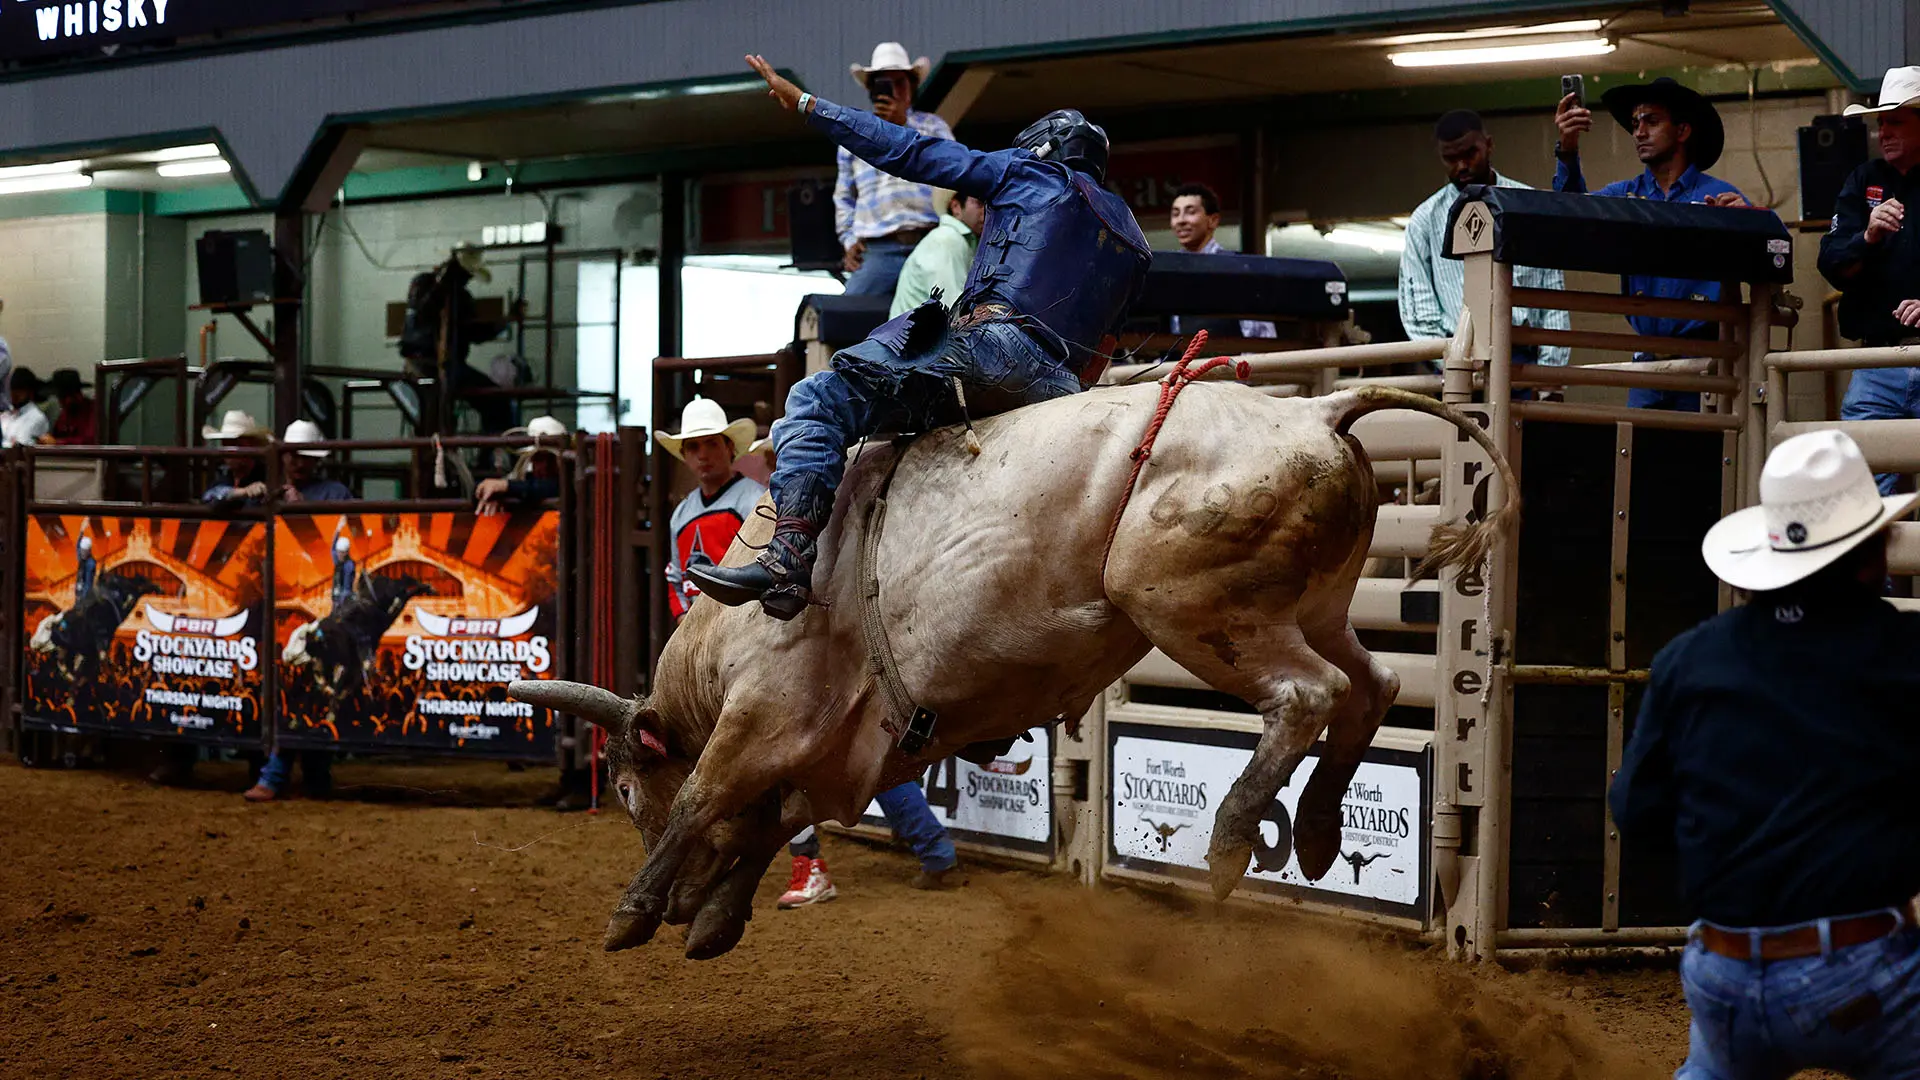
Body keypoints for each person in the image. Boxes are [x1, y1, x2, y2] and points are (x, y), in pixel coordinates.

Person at [695, 55, 1152, 619]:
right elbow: (1105, 349)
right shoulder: (1131, 238)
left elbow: (910, 152)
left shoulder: (1027, 173)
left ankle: (788, 558)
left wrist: (810, 105)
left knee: (816, 399)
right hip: (1062, 389)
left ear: (1039, 151)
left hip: (991, 346)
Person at [1611, 428, 1920, 1079]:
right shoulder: (1901, 654)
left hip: (1723, 965)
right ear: (1874, 553)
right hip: (1866, 965)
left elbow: (1636, 809)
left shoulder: (1689, 659)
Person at [658, 397, 958, 899]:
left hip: (773, 642)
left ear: (728, 449)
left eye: (711, 444)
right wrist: (691, 632)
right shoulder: (685, 515)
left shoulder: (757, 501)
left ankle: (821, 865)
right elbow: (676, 577)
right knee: (834, 751)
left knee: (806, 754)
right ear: (686, 455)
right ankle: (928, 849)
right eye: (694, 447)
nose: (703, 455)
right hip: (723, 653)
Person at [1554, 77, 1758, 411]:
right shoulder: (1624, 196)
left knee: (1706, 458)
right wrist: (1568, 148)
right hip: (1647, 365)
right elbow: (1569, 219)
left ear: (1682, 131)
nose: (1638, 132)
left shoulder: (1720, 196)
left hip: (1707, 364)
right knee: (1642, 455)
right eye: (1635, 123)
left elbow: (1774, 250)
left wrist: (1747, 222)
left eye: (1652, 121)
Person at [1400, 111, 1570, 370]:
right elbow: (1417, 311)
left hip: (1523, 356)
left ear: (1489, 145)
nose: (1461, 166)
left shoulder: (1530, 206)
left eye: (1470, 154)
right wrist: (1454, 362)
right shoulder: (1425, 220)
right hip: (1455, 355)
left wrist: (1550, 378)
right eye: (1450, 158)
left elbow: (1553, 297)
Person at [1819, 66, 1920, 494]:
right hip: (1877, 358)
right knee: (1862, 495)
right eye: (1881, 123)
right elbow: (1831, 261)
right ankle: (1876, 564)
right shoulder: (1863, 180)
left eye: (1895, 121)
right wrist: (1869, 235)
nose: (1884, 132)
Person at [245, 419, 355, 803]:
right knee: (295, 682)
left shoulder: (335, 494)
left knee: (304, 682)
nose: (298, 463)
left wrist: (300, 510)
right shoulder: (278, 493)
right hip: (290, 602)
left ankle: (292, 770)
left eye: (305, 456)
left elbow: (347, 535)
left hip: (319, 603)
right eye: (294, 455)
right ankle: (297, 770)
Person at [834, 42, 956, 297]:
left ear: (911, 88)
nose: (894, 90)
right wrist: (848, 240)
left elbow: (955, 176)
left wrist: (901, 123)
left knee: (953, 311)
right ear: (872, 90)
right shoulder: (853, 136)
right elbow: (843, 196)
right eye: (883, 84)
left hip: (931, 241)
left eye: (900, 82)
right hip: (879, 249)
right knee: (847, 316)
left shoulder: (933, 128)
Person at [400, 245, 520, 433]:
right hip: (427, 364)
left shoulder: (458, 296)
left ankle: (485, 455)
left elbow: (476, 332)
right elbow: (424, 313)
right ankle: (478, 454)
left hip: (445, 366)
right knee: (434, 419)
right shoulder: (426, 285)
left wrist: (506, 320)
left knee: (494, 401)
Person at [1165, 183, 1276, 340]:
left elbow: (1261, 339)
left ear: (1213, 220)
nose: (1181, 220)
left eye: (1190, 212)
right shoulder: (1172, 271)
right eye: (1175, 214)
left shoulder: (1237, 268)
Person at [889, 188, 986, 317]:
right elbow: (951, 309)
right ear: (956, 207)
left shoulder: (959, 239)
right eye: (979, 203)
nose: (986, 211)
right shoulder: (947, 239)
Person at [477, 415, 568, 512]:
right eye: (538, 459)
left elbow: (552, 488)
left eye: (551, 459)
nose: (545, 466)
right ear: (531, 459)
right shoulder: (525, 478)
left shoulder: (572, 482)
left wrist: (507, 487)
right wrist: (494, 495)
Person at [2, 368, 50, 447]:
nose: (13, 394)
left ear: (30, 392)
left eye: (19, 390)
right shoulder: (5, 415)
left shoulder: (37, 418)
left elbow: (21, 447)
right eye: (11, 389)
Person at [47, 368, 95, 444]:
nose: (61, 402)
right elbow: (55, 435)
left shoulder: (93, 411)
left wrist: (59, 442)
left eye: (63, 397)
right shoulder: (64, 413)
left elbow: (90, 441)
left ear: (76, 394)